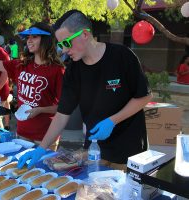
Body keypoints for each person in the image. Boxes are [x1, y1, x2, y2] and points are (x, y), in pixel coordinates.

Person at [18, 10, 152, 170]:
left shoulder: (122, 56)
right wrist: (41, 149)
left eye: (66, 43)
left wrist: (112, 120)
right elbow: (62, 115)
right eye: (60, 45)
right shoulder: (73, 71)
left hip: (129, 151)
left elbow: (144, 96)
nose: (64, 50)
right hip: (95, 151)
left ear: (85, 35)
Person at [0, 22, 65, 149]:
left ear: (46, 40)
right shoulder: (21, 65)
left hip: (46, 135)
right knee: (22, 168)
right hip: (22, 132)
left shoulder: (57, 70)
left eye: (34, 37)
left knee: (41, 168)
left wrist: (40, 110)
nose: (29, 41)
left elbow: (64, 107)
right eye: (28, 37)